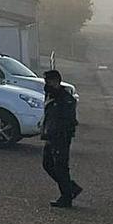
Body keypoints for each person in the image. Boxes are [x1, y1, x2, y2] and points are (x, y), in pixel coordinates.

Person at [41, 69, 82, 207]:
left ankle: (66, 197)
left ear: (56, 81)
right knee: (47, 164)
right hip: (50, 136)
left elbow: (69, 121)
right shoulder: (50, 94)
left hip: (61, 138)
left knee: (61, 167)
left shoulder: (66, 99)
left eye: (49, 81)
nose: (46, 84)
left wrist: (61, 136)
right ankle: (71, 188)